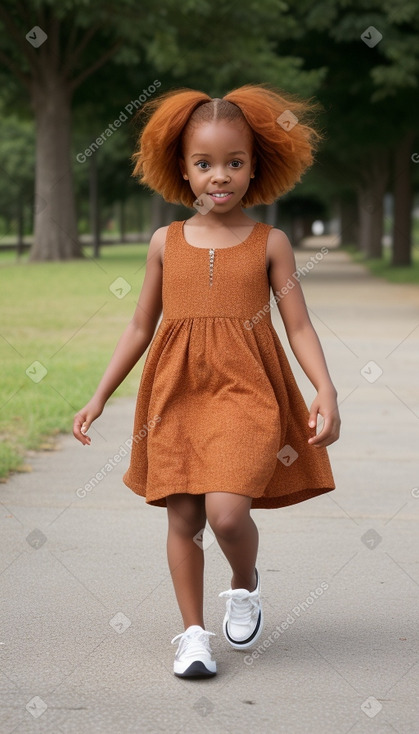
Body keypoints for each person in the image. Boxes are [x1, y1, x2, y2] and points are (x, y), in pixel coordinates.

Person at [73, 83, 341, 679]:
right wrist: (98, 397)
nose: (219, 176)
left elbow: (296, 325)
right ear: (184, 171)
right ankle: (192, 635)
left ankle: (244, 582)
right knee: (184, 519)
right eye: (205, 164)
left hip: (248, 392)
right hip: (175, 392)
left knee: (225, 514)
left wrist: (325, 389)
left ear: (255, 168)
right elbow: (141, 324)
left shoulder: (271, 243)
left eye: (234, 163)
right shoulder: (164, 243)